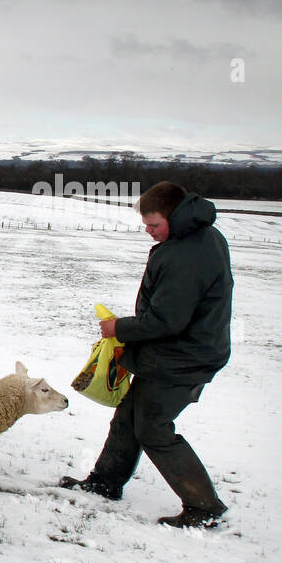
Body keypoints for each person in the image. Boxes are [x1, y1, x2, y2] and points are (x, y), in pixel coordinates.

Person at [60, 181, 233, 528]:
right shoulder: (194, 237)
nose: (149, 231)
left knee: (153, 428)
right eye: (146, 225)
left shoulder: (187, 254)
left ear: (174, 215)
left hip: (184, 359)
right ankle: (105, 482)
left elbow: (168, 320)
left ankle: (204, 507)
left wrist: (119, 329)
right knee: (128, 418)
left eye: (154, 225)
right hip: (174, 352)